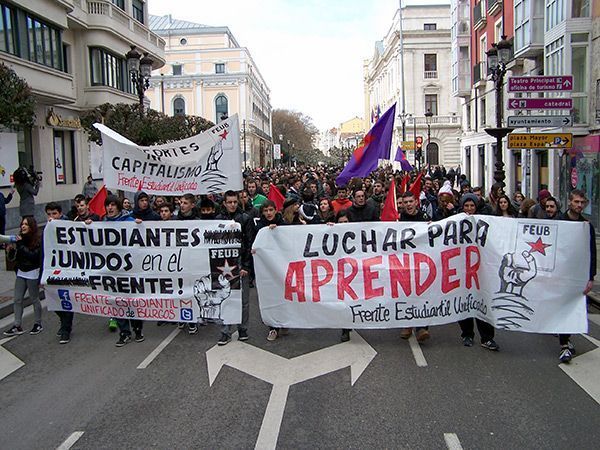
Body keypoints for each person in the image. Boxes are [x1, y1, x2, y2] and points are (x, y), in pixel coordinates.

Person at [556, 189, 596, 363]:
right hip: (560, 275)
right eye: (576, 202)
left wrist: (591, 277)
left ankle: (565, 340)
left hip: (578, 275)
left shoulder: (587, 226)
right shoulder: (559, 222)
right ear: (570, 202)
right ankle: (564, 345)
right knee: (562, 307)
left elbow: (591, 253)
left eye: (582, 202)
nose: (579, 205)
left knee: (574, 308)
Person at [457, 193, 499, 351]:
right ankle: (467, 334)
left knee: (483, 302)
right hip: (461, 269)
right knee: (465, 302)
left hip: (481, 270)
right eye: (466, 206)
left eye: (472, 206)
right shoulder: (455, 222)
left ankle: (487, 337)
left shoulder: (485, 222)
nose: (469, 209)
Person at [101, 195, 143, 347]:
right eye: (107, 205)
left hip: (130, 269)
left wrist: (140, 225)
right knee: (117, 301)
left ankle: (137, 329)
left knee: (132, 300)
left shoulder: (129, 222)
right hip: (112, 271)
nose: (110, 208)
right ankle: (124, 332)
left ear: (118, 207)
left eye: (113, 205)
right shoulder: (102, 223)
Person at [215, 191, 255, 345]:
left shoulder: (245, 218)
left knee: (243, 300)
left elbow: (250, 243)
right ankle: (225, 330)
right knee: (225, 297)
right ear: (224, 203)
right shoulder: (218, 220)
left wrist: (246, 265)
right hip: (223, 265)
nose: (232, 205)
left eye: (235, 202)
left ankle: (242, 328)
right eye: (229, 202)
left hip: (240, 264)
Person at [3, 217, 43, 337]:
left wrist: (20, 244)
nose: (23, 226)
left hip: (32, 273)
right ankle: (17, 325)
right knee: (17, 299)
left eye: (26, 224)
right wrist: (10, 251)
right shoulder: (19, 239)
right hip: (21, 272)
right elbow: (13, 258)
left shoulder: (37, 240)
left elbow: (33, 256)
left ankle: (38, 324)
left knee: (34, 298)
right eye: (22, 224)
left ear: (31, 226)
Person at [399, 191, 431, 342]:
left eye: (411, 201)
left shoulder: (425, 218)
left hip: (422, 261)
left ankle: (421, 327)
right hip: (404, 262)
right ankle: (407, 324)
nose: (408, 205)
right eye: (405, 202)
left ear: (416, 202)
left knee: (422, 293)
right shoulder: (398, 219)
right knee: (406, 293)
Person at [254, 200, 286, 341]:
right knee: (269, 297)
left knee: (284, 295)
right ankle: (273, 327)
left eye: (271, 210)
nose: (268, 213)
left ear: (275, 210)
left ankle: (284, 321)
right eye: (265, 211)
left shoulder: (283, 224)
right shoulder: (259, 226)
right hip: (266, 268)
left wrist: (278, 230)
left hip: (282, 266)